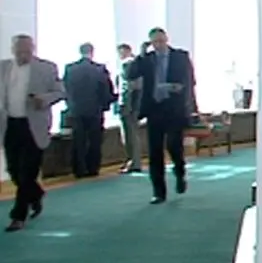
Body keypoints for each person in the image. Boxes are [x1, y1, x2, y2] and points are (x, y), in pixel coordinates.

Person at [0, 34, 64, 232]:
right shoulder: (3, 68)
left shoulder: (47, 68)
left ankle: (18, 216)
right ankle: (35, 194)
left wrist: (43, 99)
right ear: (13, 50)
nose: (23, 54)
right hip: (10, 125)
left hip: (34, 126)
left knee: (28, 171)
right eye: (19, 51)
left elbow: (60, 92)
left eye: (27, 51)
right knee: (13, 170)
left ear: (33, 49)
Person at [128, 27, 195, 204]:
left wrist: (185, 97)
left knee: (174, 146)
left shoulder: (180, 56)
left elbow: (190, 81)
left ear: (166, 39)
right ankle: (159, 192)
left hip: (174, 108)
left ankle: (180, 173)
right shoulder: (147, 59)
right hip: (154, 109)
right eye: (155, 42)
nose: (159, 45)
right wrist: (140, 54)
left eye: (161, 41)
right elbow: (130, 75)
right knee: (155, 151)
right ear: (151, 43)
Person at [63, 42, 115, 178]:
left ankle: (79, 169)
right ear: (92, 52)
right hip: (95, 110)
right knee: (94, 141)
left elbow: (65, 89)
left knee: (78, 140)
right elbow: (106, 90)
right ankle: (93, 168)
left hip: (76, 109)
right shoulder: (99, 69)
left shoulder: (70, 69)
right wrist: (106, 105)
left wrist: (70, 105)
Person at [115, 43, 142, 173]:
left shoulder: (128, 64)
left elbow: (130, 88)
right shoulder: (136, 63)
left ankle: (133, 162)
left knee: (129, 135)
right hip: (133, 105)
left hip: (128, 105)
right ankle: (133, 161)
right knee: (132, 134)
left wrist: (127, 106)